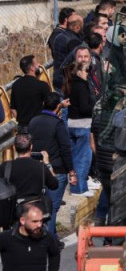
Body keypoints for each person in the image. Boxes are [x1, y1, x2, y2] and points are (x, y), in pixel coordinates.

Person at [27, 93, 73, 231]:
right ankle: (49, 240)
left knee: (41, 207)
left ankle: (50, 238)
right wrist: (71, 170)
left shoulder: (33, 121)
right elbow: (65, 148)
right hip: (55, 170)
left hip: (35, 169)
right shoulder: (57, 124)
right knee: (52, 208)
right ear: (58, 106)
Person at [61, 45, 94, 194]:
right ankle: (79, 189)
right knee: (83, 159)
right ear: (80, 72)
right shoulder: (81, 85)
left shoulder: (69, 83)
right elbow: (85, 108)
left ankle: (77, 187)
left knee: (75, 158)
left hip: (71, 124)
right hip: (83, 125)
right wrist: (95, 107)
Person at [10, 56, 49, 126]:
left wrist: (22, 121)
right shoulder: (42, 85)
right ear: (32, 68)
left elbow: (13, 110)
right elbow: (51, 106)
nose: (39, 65)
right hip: (38, 126)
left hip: (22, 128)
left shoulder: (15, 85)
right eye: (37, 63)